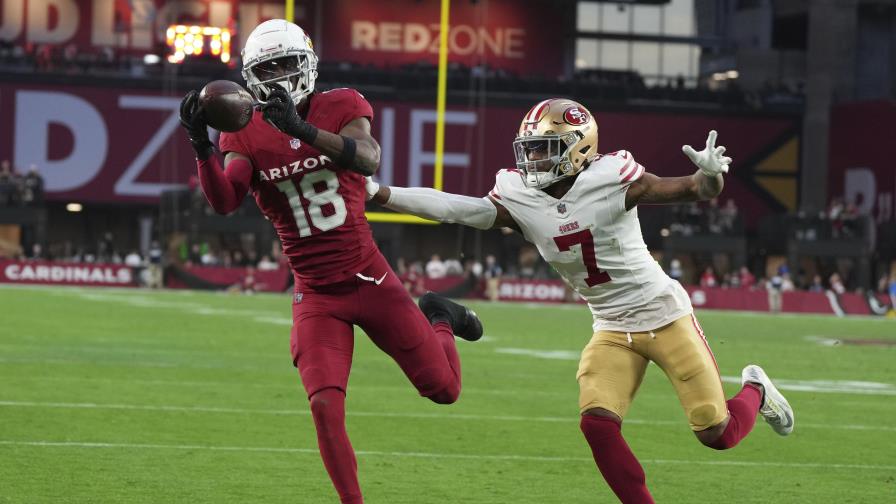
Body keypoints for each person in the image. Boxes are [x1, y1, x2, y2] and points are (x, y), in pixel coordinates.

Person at [367, 98, 794, 503]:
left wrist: (712, 175)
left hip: (664, 316)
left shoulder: (612, 178)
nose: (531, 159)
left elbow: (694, 189)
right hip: (610, 326)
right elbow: (456, 208)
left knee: (715, 432)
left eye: (544, 149)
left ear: (579, 148)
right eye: (529, 149)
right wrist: (382, 193)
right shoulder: (521, 195)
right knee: (597, 425)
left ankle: (756, 388)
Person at [177, 19, 482, 504]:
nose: (277, 76)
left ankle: (440, 317)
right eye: (267, 68)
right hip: (317, 292)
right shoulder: (246, 133)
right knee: (323, 404)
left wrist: (303, 130)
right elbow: (225, 200)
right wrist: (201, 147)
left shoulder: (340, 104)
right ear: (250, 75)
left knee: (443, 390)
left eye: (285, 64)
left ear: (307, 65)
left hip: (370, 277)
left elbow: (367, 158)